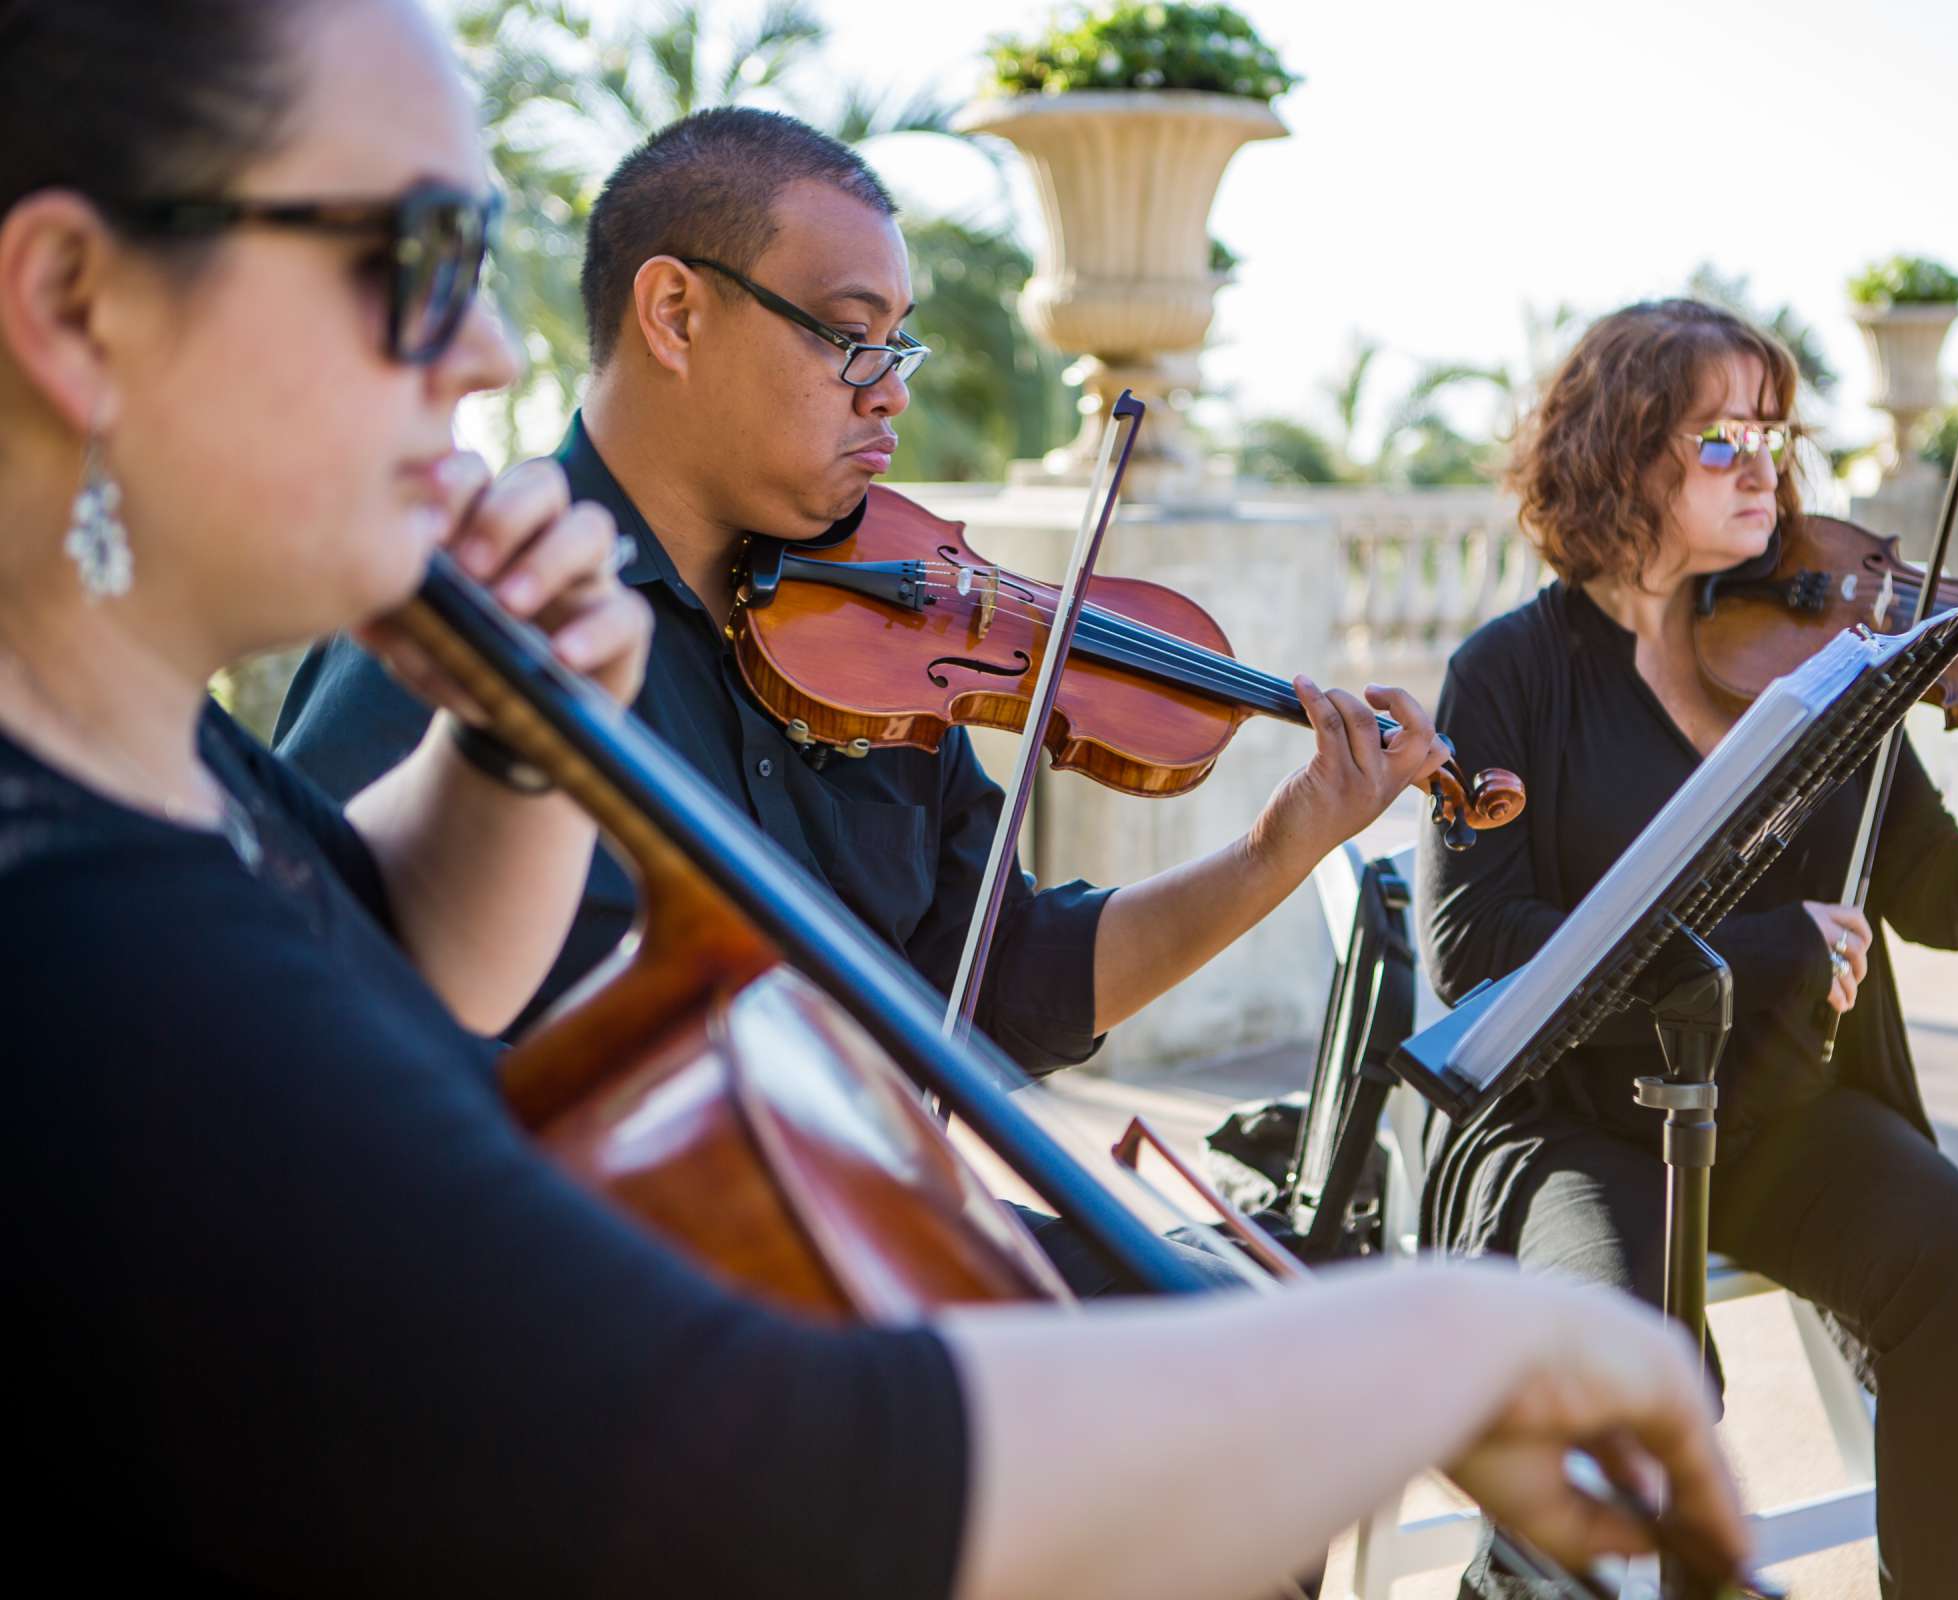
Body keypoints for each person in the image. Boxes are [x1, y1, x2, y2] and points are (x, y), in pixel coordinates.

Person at [0, 3, 1750, 1594]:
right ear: (76, 306)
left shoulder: (177, 768)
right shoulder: (80, 941)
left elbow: (379, 950)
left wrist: (512, 753)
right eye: (420, 255)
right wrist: (1429, 1341)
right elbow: (746, 1450)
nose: (475, 356)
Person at [272, 104, 1444, 1088]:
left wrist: (1274, 851)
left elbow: (993, 982)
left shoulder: (895, 634)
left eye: (900, 346)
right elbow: (318, 1030)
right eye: (848, 337)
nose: (886, 393)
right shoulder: (461, 621)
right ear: (675, 313)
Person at [1415, 298, 1958, 1600]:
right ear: (1619, 448)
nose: (1765, 462)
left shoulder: (1828, 658)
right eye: (1721, 437)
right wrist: (1754, 951)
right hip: (1579, 1126)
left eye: (1774, 431)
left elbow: (1934, 892)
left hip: (1773, 1111)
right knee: (1621, 1365)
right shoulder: (1514, 674)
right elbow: (1478, 949)